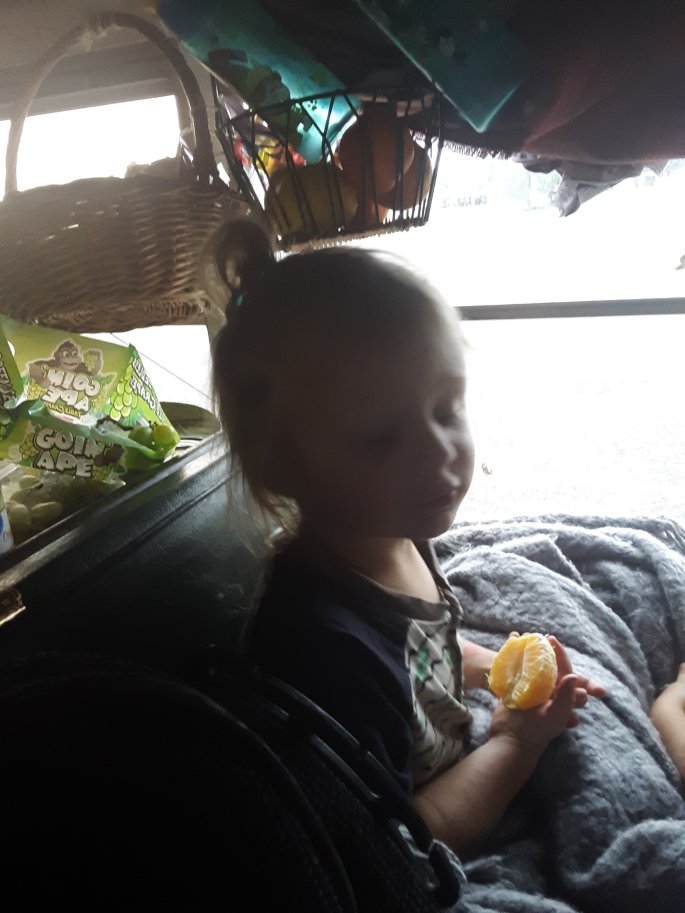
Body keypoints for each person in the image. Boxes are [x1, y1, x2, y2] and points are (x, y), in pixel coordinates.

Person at [212, 246, 682, 857]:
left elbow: (425, 653)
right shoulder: (325, 656)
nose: (439, 451)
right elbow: (402, 843)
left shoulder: (387, 533)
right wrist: (515, 744)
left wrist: (498, 670)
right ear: (283, 466)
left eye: (447, 409)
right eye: (381, 438)